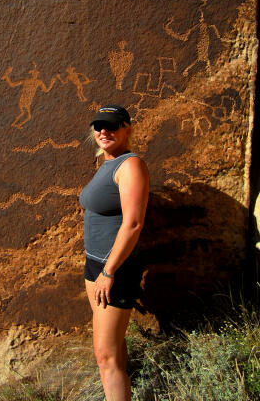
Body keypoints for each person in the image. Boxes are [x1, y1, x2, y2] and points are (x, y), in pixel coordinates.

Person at [79, 104, 149, 401]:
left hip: (114, 270)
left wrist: (109, 272)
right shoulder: (108, 163)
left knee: (105, 358)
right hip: (95, 265)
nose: (104, 131)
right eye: (99, 126)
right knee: (115, 353)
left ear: (127, 129)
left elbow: (133, 224)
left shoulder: (130, 165)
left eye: (112, 126)